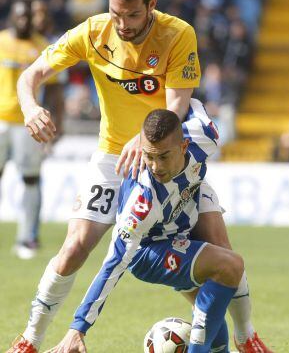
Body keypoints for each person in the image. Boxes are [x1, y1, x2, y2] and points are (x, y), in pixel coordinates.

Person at [8, 0, 272, 352]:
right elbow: (31, 74)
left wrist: (145, 139)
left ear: (151, 5)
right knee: (74, 248)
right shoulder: (93, 32)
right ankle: (30, 339)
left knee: (221, 251)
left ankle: (246, 337)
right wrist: (29, 106)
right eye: (117, 14)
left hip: (165, 155)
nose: (123, 24)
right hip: (112, 157)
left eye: (132, 15)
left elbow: (178, 103)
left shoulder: (177, 33)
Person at [47, 108, 244, 353]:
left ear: (184, 147)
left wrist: (173, 105)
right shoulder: (142, 201)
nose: (154, 166)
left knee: (213, 316)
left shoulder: (204, 137)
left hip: (177, 234)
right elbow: (112, 266)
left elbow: (188, 99)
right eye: (148, 156)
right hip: (146, 253)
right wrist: (78, 328)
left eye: (163, 156)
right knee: (230, 265)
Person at [0, 0, 62, 259]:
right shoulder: (1, 41)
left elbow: (56, 90)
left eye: (28, 16)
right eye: (20, 15)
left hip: (28, 124)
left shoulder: (42, 47)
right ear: (12, 16)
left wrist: (57, 124)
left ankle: (27, 239)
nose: (24, 20)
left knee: (31, 180)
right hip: (0, 121)